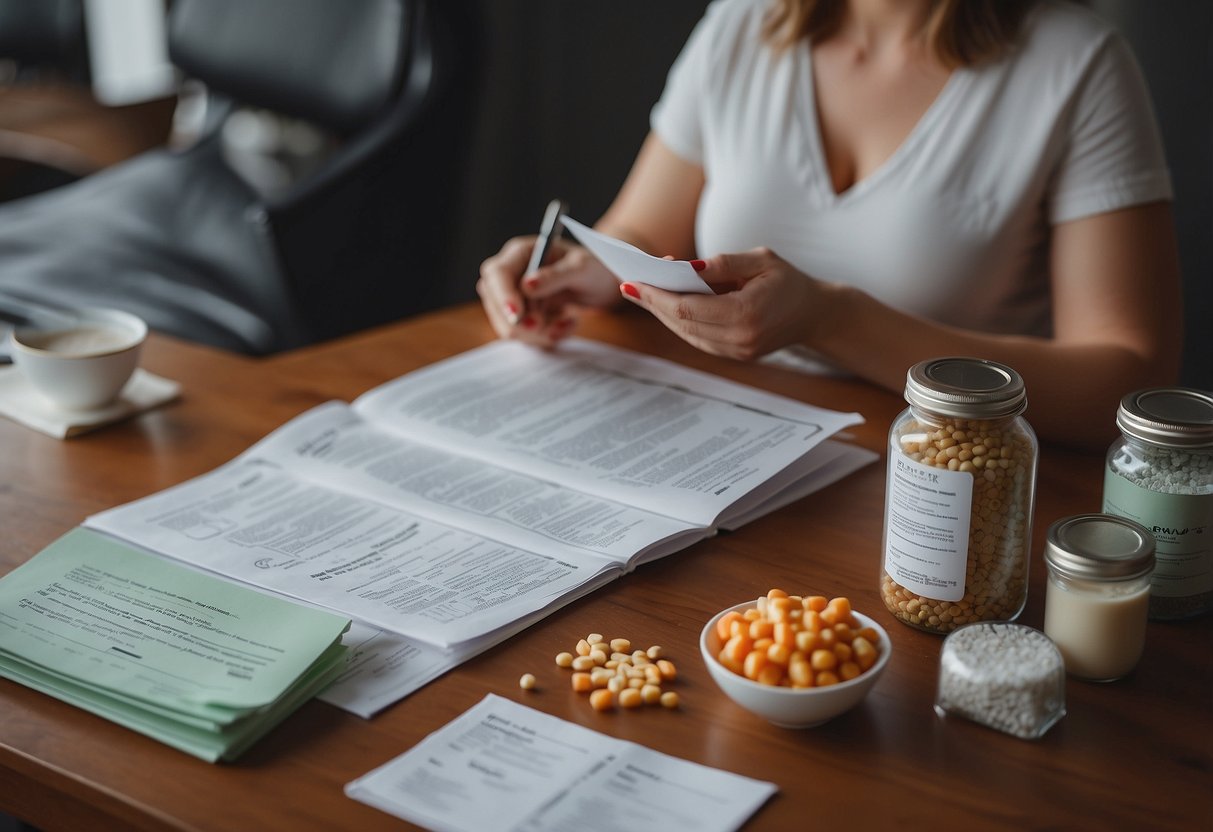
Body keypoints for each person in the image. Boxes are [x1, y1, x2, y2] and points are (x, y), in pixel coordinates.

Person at [476, 0, 1182, 448]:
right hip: (728, 441)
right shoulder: (741, 23)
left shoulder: (1077, 64)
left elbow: (1126, 377)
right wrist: (586, 267)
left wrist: (831, 320)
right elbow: (643, 225)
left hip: (942, 477)